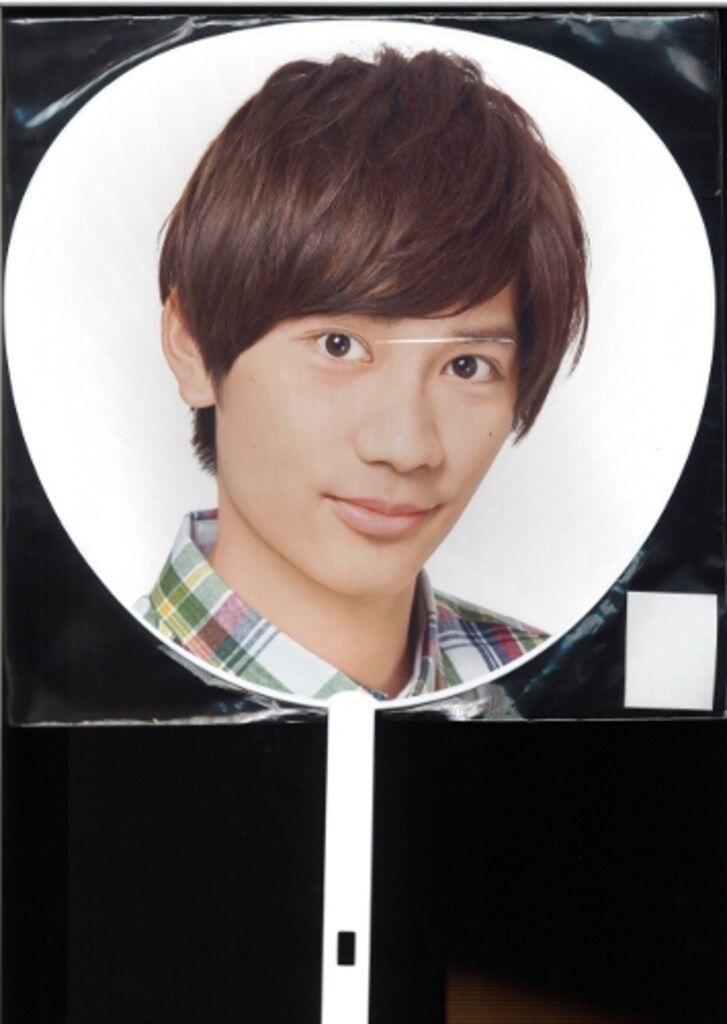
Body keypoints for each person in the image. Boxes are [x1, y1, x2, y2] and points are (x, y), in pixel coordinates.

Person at [136, 46, 588, 704]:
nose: (404, 447)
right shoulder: (74, 704)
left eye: (466, 366)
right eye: (339, 346)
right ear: (193, 345)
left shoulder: (570, 697)